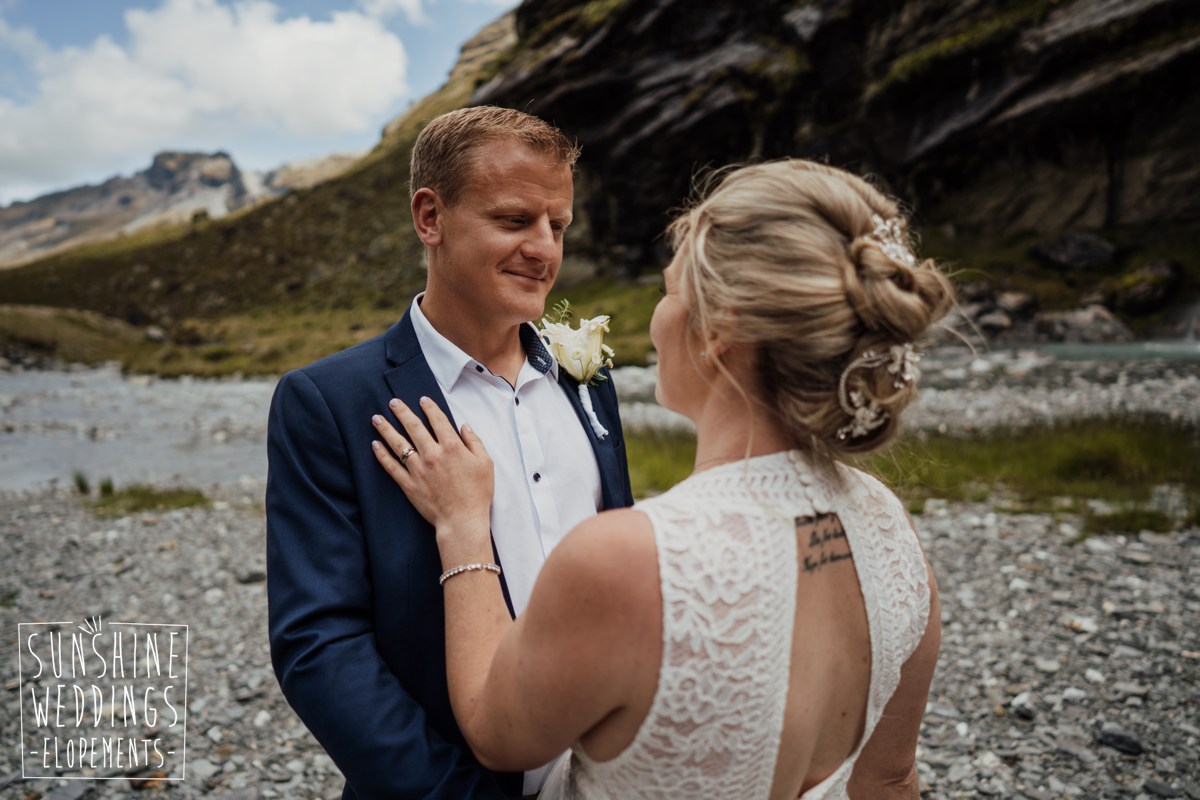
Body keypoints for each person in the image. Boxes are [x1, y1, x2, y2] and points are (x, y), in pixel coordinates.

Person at [370, 158, 956, 798]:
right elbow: (891, 778)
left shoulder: (626, 556)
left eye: (670, 291)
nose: (658, 316)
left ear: (719, 331)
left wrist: (462, 527)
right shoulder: (888, 526)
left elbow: (493, 729)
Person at [266, 105, 634, 799]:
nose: (544, 249)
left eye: (558, 226)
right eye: (514, 220)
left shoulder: (591, 381)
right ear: (430, 217)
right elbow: (320, 644)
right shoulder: (329, 401)